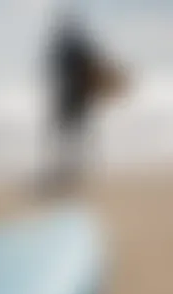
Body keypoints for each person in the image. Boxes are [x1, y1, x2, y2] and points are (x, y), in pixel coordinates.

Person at [46, 11, 126, 192]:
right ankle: (77, 170)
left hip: (69, 97)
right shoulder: (80, 47)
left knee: (68, 136)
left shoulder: (64, 49)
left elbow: (58, 73)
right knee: (77, 135)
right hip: (77, 98)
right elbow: (96, 67)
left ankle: (69, 171)